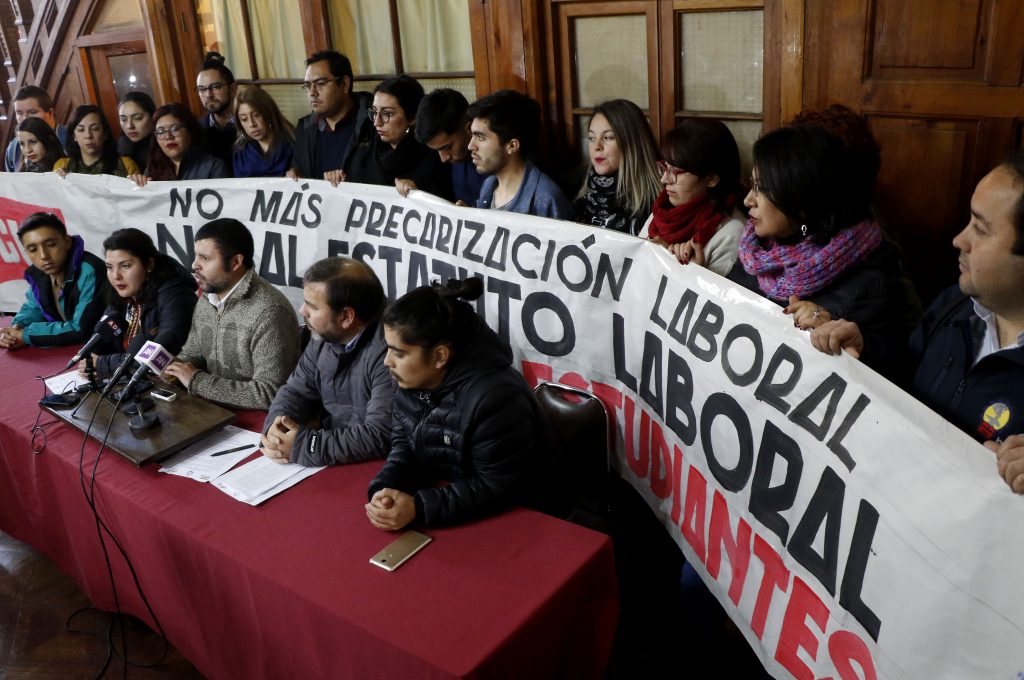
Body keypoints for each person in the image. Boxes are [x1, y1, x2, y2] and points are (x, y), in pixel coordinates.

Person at [811, 155, 1024, 492]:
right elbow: (907, 374)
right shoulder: (955, 304)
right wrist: (864, 351)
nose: (959, 239)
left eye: (981, 229)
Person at [365, 278, 559, 530]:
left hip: (526, 521)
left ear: (439, 356)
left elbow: (498, 486)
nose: (387, 362)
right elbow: (406, 445)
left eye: (398, 353)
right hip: (458, 504)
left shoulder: (496, 398)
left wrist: (419, 507)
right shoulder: (412, 380)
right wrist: (387, 487)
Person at [727, 124, 919, 376]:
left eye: (763, 188)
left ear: (802, 201)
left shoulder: (872, 282)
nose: (748, 200)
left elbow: (890, 373)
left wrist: (834, 334)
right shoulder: (758, 249)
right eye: (752, 185)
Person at [261, 257, 395, 467]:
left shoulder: (393, 350)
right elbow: (296, 391)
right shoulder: (326, 333)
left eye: (311, 306)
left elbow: (380, 435)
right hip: (337, 452)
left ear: (346, 317)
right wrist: (276, 428)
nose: (302, 311)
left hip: (374, 467)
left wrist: (304, 445)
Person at [163, 218, 300, 410]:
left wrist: (197, 381)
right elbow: (193, 354)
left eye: (206, 258)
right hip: (211, 410)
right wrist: (175, 369)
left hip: (256, 422)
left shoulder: (271, 312)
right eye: (196, 256)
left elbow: (269, 393)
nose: (194, 265)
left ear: (236, 262)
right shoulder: (207, 297)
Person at [639, 118, 745, 276]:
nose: (664, 179)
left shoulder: (732, 232)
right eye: (665, 167)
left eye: (675, 171)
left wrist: (669, 261)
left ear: (711, 178)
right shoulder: (662, 211)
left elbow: (712, 298)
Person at [88, 228, 197, 378]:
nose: (116, 276)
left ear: (149, 265)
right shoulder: (122, 291)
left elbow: (160, 357)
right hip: (132, 380)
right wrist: (92, 355)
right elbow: (105, 334)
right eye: (109, 267)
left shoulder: (177, 296)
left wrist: (103, 364)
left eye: (125, 266)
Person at [0, 212, 109, 350]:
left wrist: (26, 335)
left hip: (103, 351)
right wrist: (16, 328)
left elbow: (81, 329)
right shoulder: (40, 273)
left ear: (67, 242)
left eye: (51, 245)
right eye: (33, 249)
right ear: (26, 253)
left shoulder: (90, 271)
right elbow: (33, 308)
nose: (44, 255)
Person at [339, 75, 452, 200]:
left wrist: (418, 194)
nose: (377, 122)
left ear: (413, 117)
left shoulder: (434, 155)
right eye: (374, 112)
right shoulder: (367, 146)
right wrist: (338, 179)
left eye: (387, 113)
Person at [469, 90, 571, 219]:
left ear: (512, 146)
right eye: (473, 135)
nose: (470, 146)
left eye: (481, 137)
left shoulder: (545, 200)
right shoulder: (489, 185)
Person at [574, 99, 661, 237]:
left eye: (608, 137)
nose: (597, 146)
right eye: (591, 138)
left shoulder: (657, 204)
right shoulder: (577, 189)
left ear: (632, 143)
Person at [289, 50, 371, 180]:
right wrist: (295, 173)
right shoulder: (305, 128)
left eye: (320, 84)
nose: (312, 93)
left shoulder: (374, 123)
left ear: (344, 84)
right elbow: (300, 168)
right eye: (307, 86)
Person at [412, 87, 484, 205]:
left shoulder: (496, 163)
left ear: (469, 128)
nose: (443, 158)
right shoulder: (453, 160)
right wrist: (414, 193)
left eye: (447, 148)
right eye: (437, 151)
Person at [132, 103, 227, 184]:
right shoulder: (152, 168)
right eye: (160, 132)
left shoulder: (214, 166)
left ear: (190, 130)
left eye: (175, 129)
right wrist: (137, 186)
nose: (168, 137)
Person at [54, 104, 139, 177]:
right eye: (81, 130)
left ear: (105, 133)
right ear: (73, 135)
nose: (88, 135)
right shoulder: (62, 166)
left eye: (95, 128)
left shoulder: (126, 165)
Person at [232, 86, 295, 178]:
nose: (251, 124)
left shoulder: (292, 142)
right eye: (244, 119)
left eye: (256, 115)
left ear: (269, 113)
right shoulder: (240, 151)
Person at [4, 85, 68, 172]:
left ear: (50, 113)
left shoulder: (72, 138)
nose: (25, 119)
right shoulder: (13, 148)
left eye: (32, 112)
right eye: (19, 113)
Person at [196, 51, 238, 174]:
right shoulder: (197, 131)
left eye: (215, 87)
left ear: (233, 89)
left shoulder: (251, 125)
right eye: (202, 89)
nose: (208, 95)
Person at [117, 91, 156, 172]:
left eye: (137, 118)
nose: (129, 126)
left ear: (153, 116)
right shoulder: (119, 150)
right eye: (123, 119)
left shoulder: (166, 144)